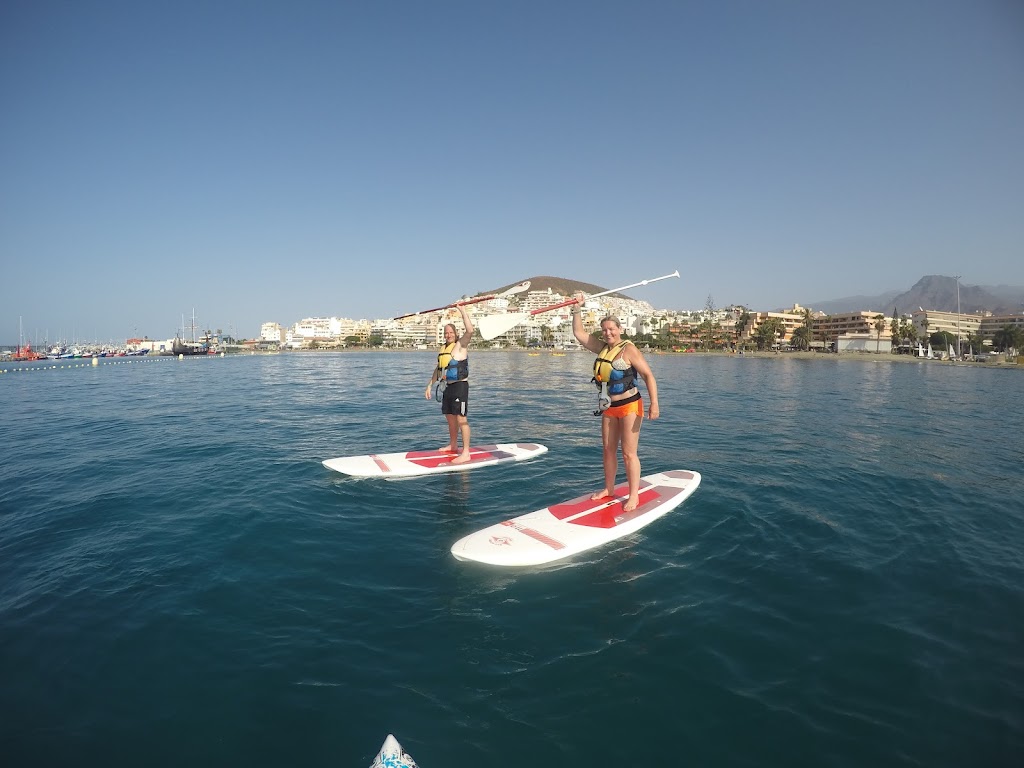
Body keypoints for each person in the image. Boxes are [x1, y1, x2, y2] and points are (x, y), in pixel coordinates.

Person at [572, 292, 660, 512]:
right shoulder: (602, 348)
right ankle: (609, 489)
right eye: (604, 330)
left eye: (612, 329)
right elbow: (578, 333)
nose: (608, 332)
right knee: (607, 450)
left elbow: (649, 375)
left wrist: (654, 403)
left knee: (628, 453)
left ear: (620, 329)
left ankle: (633, 496)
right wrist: (576, 308)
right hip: (609, 407)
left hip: (631, 406)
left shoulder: (628, 349)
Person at [425, 303, 473, 464]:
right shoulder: (443, 348)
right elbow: (439, 369)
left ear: (456, 334)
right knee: (450, 419)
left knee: (461, 420)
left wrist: (462, 310)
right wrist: (429, 385)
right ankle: (453, 445)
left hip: (460, 387)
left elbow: (470, 330)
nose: (448, 335)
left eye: (451, 332)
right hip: (447, 387)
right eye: (446, 333)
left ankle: (466, 452)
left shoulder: (460, 346)